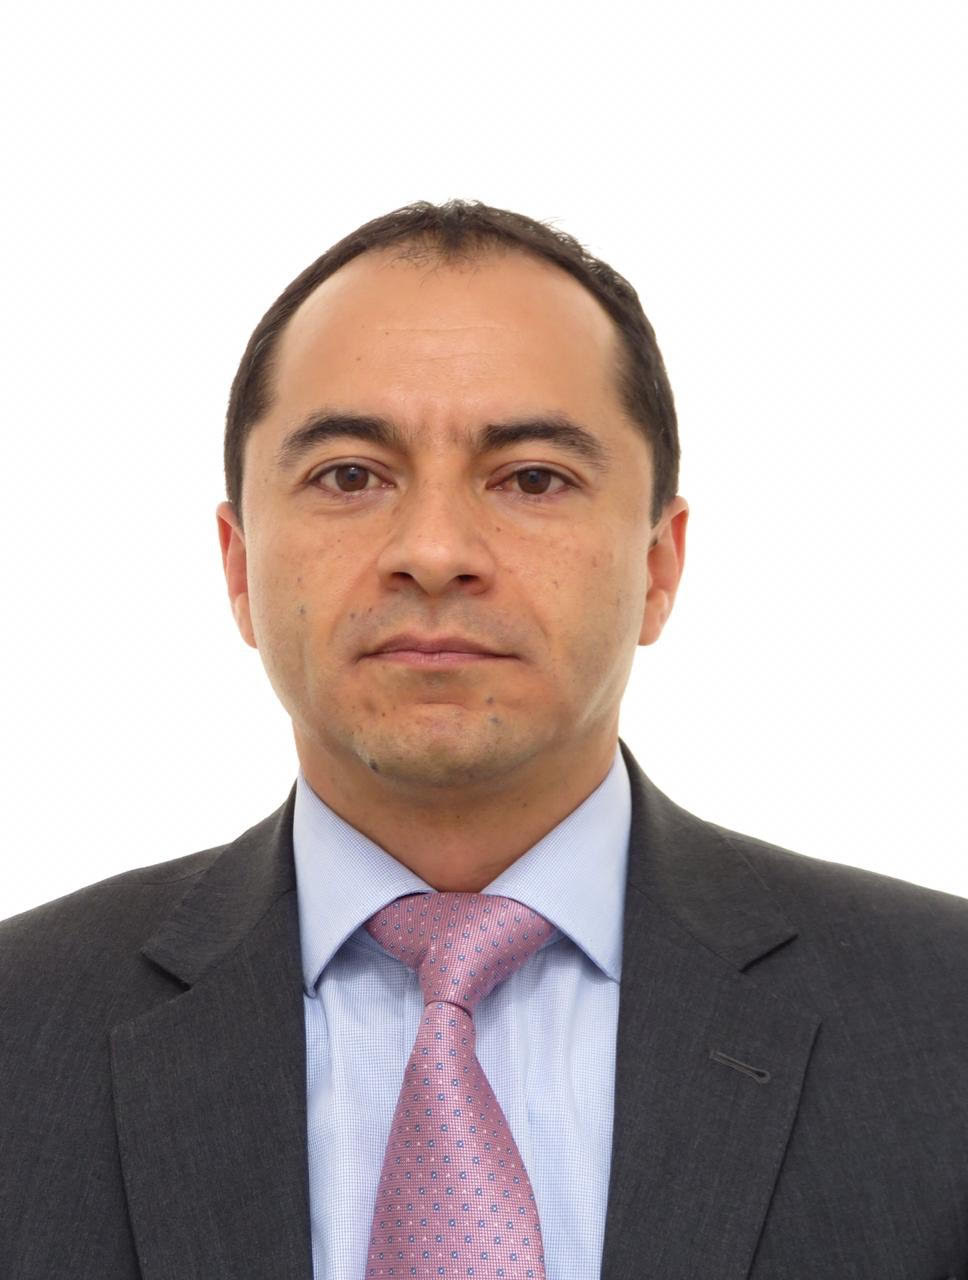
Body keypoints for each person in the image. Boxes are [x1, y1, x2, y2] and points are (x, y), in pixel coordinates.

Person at [1, 200, 966, 1280]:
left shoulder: (943, 1017)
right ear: (237, 565)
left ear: (658, 564)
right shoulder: (21, 1027)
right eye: (349, 475)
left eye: (532, 477)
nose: (434, 549)